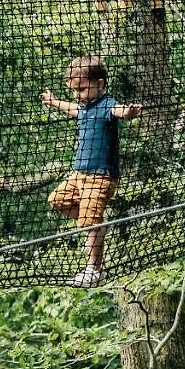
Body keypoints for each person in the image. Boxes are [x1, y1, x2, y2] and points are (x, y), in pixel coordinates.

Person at [40, 56, 142, 288]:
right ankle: (95, 224)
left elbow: (119, 111)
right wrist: (54, 102)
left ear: (101, 84)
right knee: (57, 200)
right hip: (79, 175)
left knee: (88, 221)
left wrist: (129, 113)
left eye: (82, 89)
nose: (78, 95)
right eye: (74, 90)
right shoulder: (85, 107)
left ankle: (94, 269)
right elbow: (73, 109)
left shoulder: (106, 105)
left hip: (100, 177)